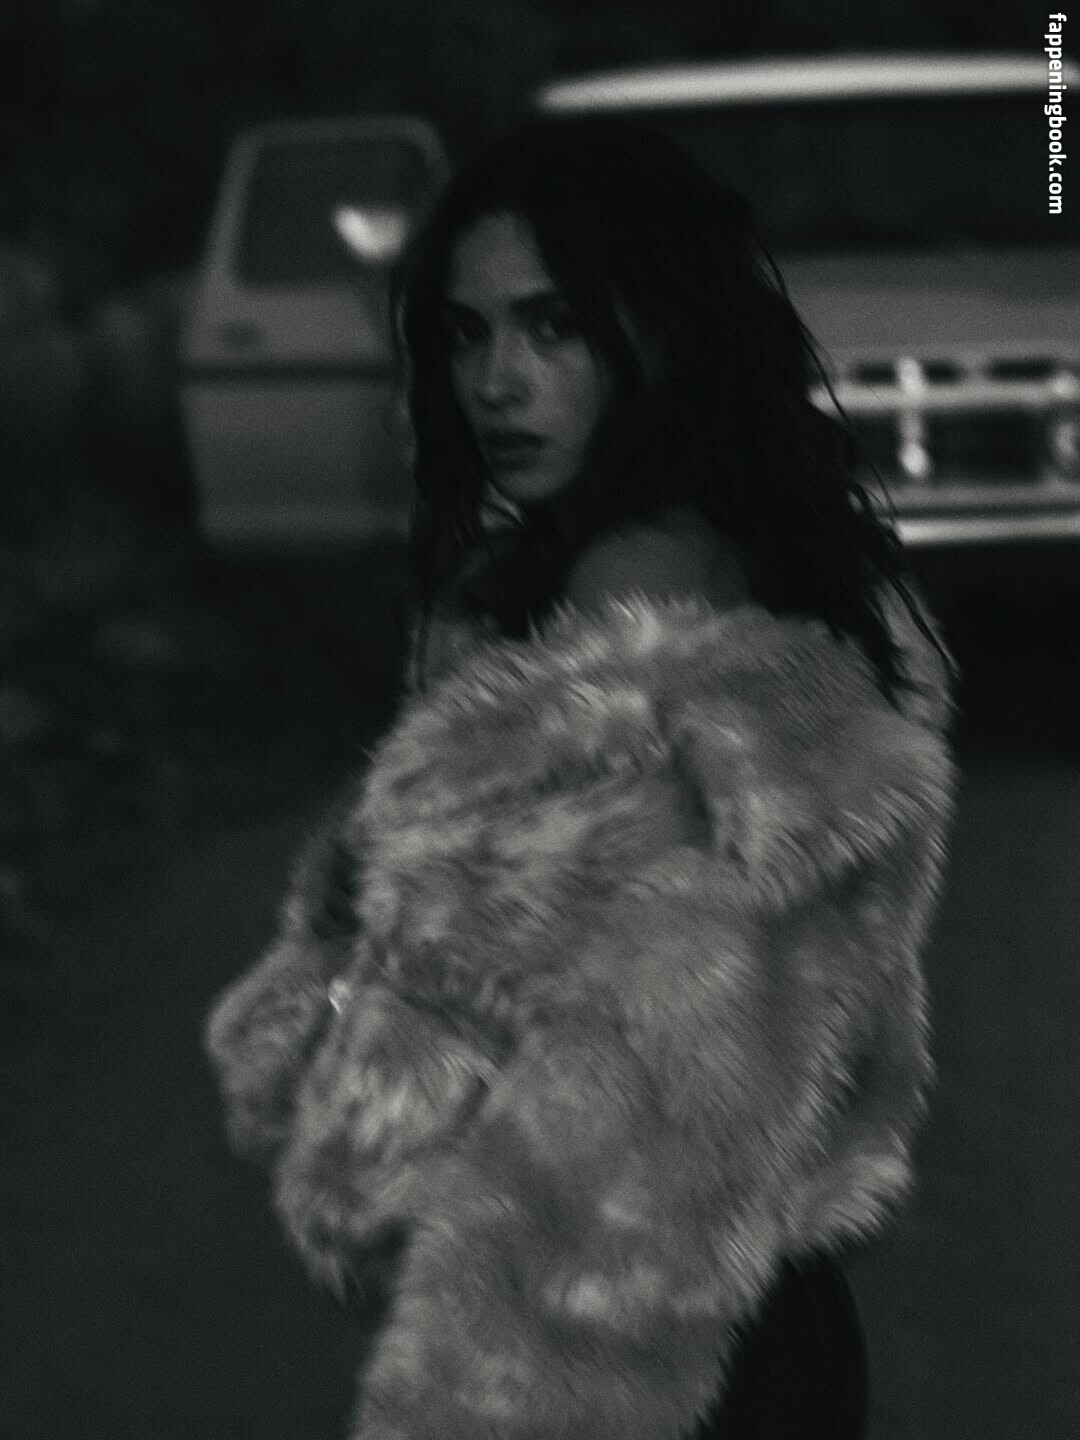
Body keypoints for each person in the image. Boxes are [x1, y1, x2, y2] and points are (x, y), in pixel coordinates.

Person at [204, 118, 956, 1440]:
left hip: (615, 1346)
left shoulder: (628, 606)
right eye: (467, 334)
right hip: (746, 1323)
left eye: (554, 329)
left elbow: (470, 1049)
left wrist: (311, 1052)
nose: (498, 382)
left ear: (663, 331)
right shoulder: (747, 567)